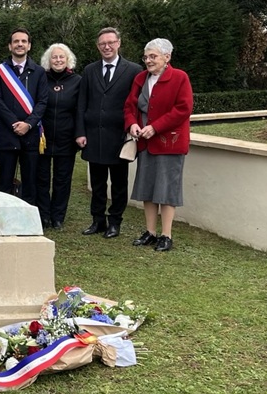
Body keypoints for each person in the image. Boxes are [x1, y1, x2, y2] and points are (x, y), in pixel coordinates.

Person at [124, 38, 193, 252]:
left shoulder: (180, 77)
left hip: (168, 142)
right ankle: (150, 232)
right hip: (145, 143)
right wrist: (132, 124)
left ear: (167, 57)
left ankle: (166, 235)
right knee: (147, 188)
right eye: (146, 57)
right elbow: (129, 106)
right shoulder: (140, 78)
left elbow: (183, 109)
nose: (148, 61)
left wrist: (155, 127)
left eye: (153, 56)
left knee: (166, 190)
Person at [75, 27, 142, 238]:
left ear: (119, 43)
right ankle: (97, 220)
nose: (107, 46)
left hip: (119, 137)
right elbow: (81, 104)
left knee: (119, 183)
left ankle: (115, 222)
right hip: (94, 136)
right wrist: (80, 132)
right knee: (97, 183)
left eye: (111, 42)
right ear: (98, 46)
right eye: (103, 43)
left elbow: (137, 104)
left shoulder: (133, 70)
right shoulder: (89, 70)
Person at [0, 27, 47, 205]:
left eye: (24, 41)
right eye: (16, 41)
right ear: (10, 46)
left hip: (30, 135)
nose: (20, 44)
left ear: (29, 46)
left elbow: (42, 102)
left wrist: (28, 124)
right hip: (7, 133)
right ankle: (3, 218)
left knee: (30, 180)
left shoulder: (39, 72)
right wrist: (15, 123)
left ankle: (28, 218)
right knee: (5, 179)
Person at [35, 43, 81, 230]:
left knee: (62, 180)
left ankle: (58, 217)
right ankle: (44, 215)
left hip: (66, 138)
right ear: (48, 60)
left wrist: (79, 134)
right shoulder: (41, 78)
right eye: (54, 57)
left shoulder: (77, 80)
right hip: (42, 138)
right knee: (42, 178)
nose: (58, 60)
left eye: (62, 57)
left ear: (68, 59)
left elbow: (80, 110)